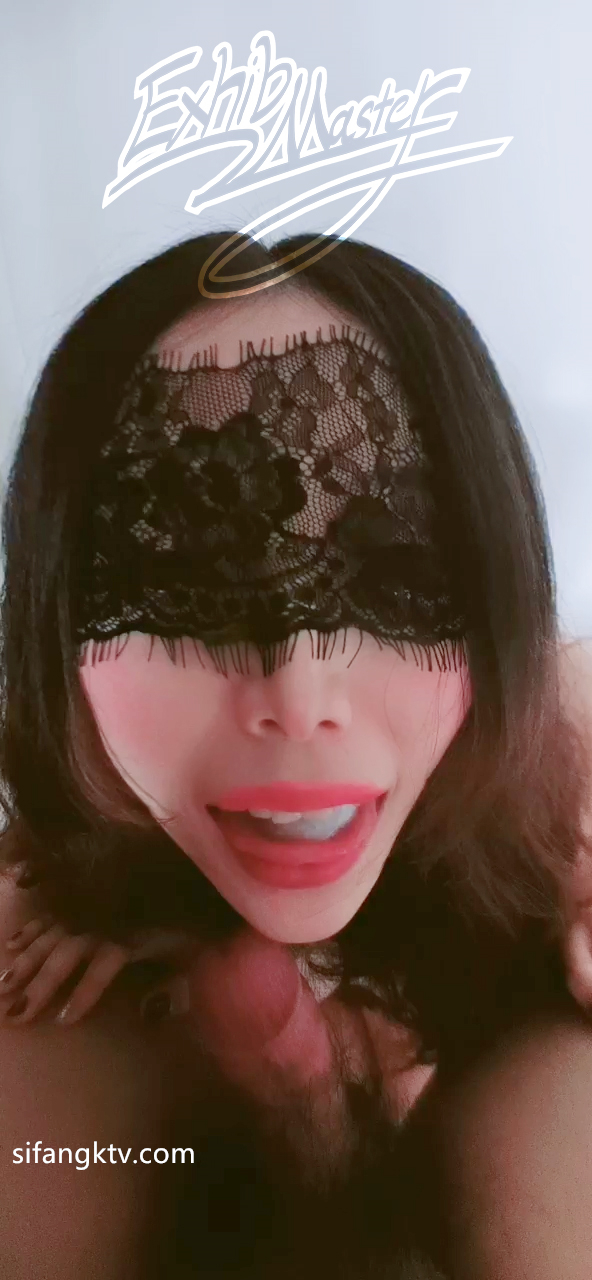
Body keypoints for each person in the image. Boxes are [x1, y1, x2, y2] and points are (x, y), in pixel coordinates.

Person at [0, 229, 591, 1278]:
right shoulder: (44, 997)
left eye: (396, 577)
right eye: (180, 594)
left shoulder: (560, 737)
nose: (297, 698)